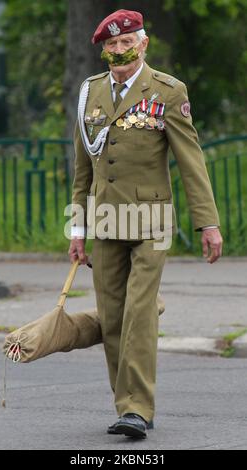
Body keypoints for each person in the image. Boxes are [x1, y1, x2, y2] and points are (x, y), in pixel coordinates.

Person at [68, 9, 223, 439]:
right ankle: (128, 406)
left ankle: (138, 408)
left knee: (138, 311)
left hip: (151, 220)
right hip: (104, 220)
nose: (119, 50)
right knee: (112, 316)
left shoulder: (168, 91)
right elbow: (83, 167)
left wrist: (207, 223)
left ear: (144, 43)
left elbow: (191, 162)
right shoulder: (91, 93)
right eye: (111, 45)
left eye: (127, 42)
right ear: (103, 49)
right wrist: (77, 230)